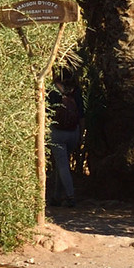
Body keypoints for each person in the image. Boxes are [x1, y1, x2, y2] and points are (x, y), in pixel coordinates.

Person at [48, 77, 83, 206]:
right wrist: (80, 134)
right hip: (73, 131)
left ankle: (70, 196)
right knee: (61, 164)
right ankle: (57, 197)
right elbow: (81, 115)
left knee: (62, 165)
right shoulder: (76, 91)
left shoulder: (52, 90)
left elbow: (47, 111)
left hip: (57, 132)